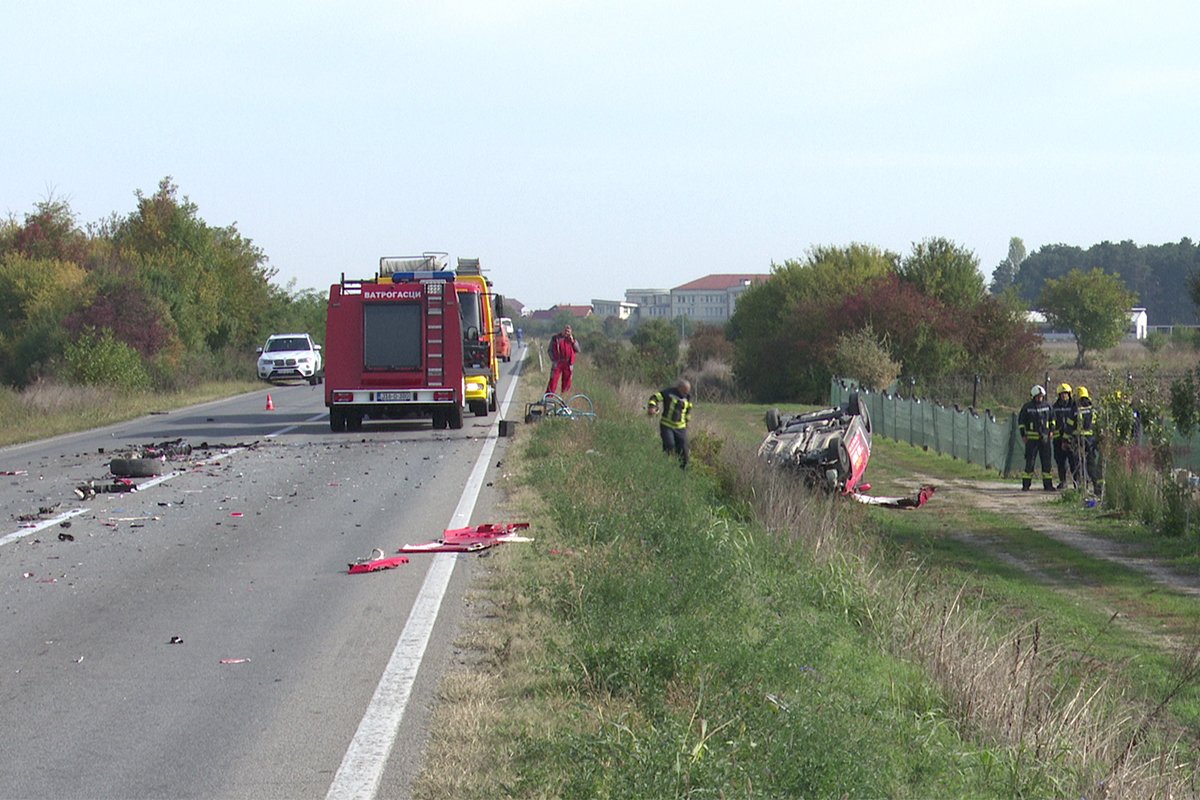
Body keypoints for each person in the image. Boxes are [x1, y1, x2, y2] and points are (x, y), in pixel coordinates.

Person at [648, 378, 693, 469]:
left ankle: (682, 473)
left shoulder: (687, 397)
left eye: (687, 392)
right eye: (684, 391)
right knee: (670, 445)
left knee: (684, 452)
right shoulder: (668, 392)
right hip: (667, 426)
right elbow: (654, 397)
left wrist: (687, 422)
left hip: (681, 428)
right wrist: (652, 407)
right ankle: (665, 467)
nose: (685, 394)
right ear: (679, 388)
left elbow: (688, 411)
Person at [1018, 384, 1056, 491]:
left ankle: (1048, 485)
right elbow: (1021, 422)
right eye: (1038, 396)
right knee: (1030, 462)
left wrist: (1052, 431)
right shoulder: (1027, 407)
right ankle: (1026, 485)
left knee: (1046, 463)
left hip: (1045, 439)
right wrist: (1023, 435)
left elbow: (1052, 419)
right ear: (1033, 396)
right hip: (1032, 440)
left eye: (1041, 396)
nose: (1040, 398)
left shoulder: (1048, 406)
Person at [1075, 386, 1103, 495]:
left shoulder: (1076, 410)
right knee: (1091, 465)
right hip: (1092, 441)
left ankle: (1082, 488)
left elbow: (1070, 426)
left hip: (1080, 441)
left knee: (1080, 465)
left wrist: (1066, 440)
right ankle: (1097, 488)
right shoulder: (1093, 410)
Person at [1051, 382, 1079, 490]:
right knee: (1060, 462)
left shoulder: (1074, 406)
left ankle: (1076, 483)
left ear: (1069, 394)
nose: (1064, 396)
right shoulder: (1055, 407)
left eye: (1066, 394)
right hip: (1058, 439)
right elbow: (1052, 420)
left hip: (1071, 439)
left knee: (1074, 461)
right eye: (1062, 394)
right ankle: (1063, 482)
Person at [545, 324, 580, 395]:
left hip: (568, 363)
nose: (566, 332)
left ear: (570, 331)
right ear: (562, 330)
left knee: (567, 382)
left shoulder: (572, 339)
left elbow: (578, 350)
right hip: (558, 362)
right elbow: (549, 350)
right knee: (553, 380)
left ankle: (564, 398)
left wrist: (572, 341)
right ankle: (549, 398)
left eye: (568, 331)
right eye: (565, 330)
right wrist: (553, 359)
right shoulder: (555, 338)